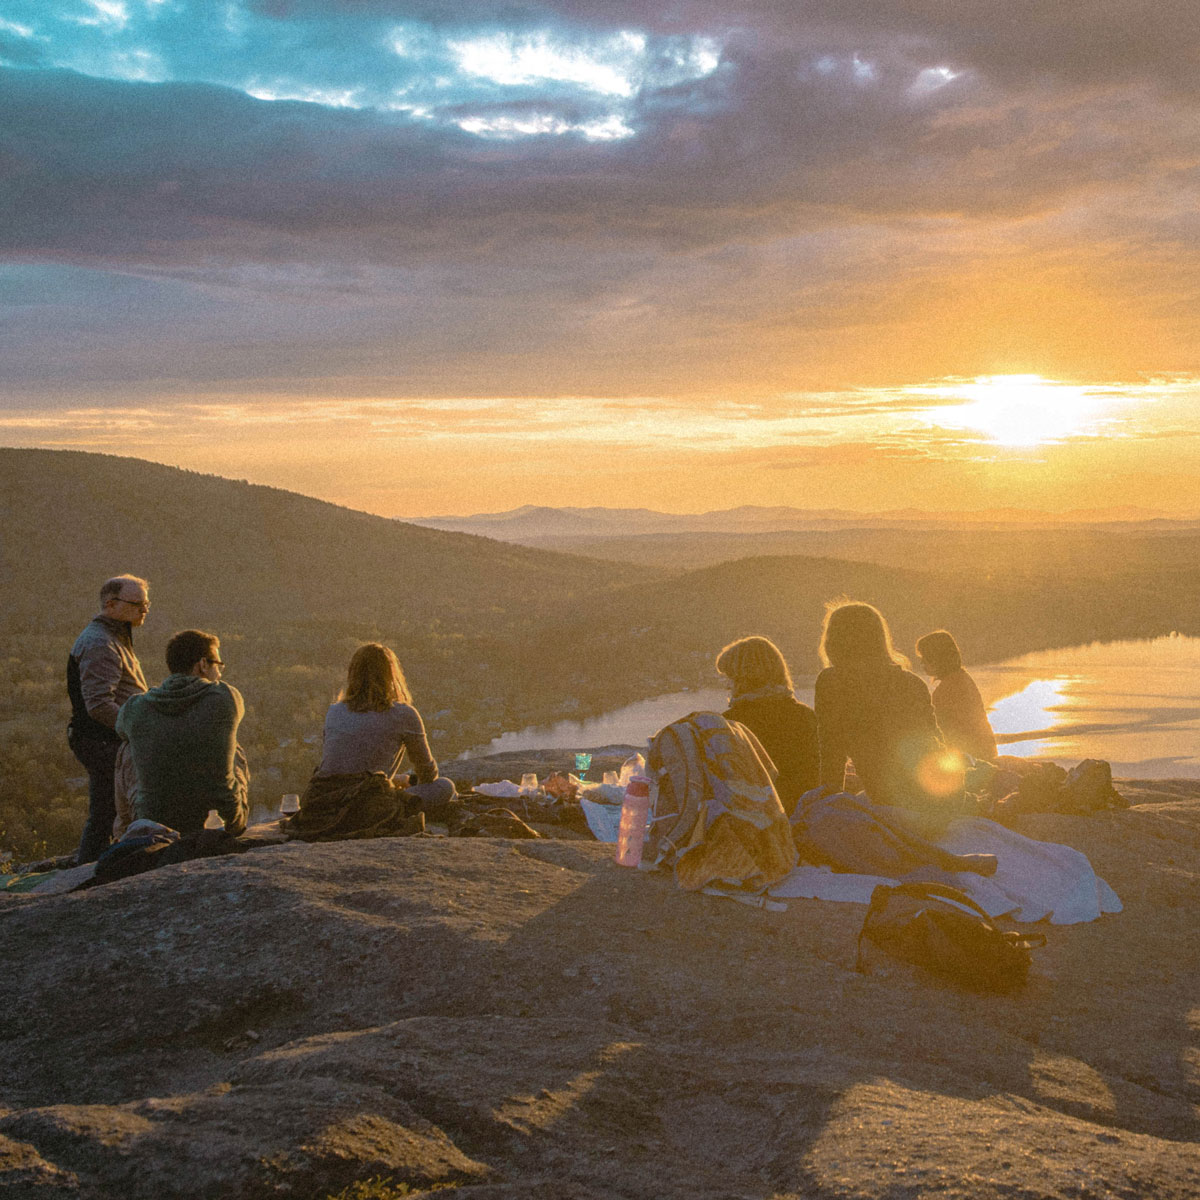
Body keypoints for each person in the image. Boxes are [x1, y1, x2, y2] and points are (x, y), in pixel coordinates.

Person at [289, 643, 456, 840]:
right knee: (445, 787)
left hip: (319, 803)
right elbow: (428, 775)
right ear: (391, 675)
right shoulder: (403, 714)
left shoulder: (334, 711)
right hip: (366, 805)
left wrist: (393, 780)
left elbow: (344, 768)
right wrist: (399, 783)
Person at [814, 601, 962, 813]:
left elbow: (831, 753)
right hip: (944, 796)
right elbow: (936, 742)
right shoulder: (912, 682)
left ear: (833, 640)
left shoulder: (832, 682)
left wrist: (826, 808)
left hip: (895, 802)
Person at [116, 629, 250, 836]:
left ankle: (125, 833)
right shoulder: (226, 697)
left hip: (156, 823)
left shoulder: (136, 707)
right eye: (218, 665)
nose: (220, 673)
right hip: (222, 822)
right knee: (233, 745)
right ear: (203, 665)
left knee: (126, 747)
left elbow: (120, 730)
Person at [67, 574, 150, 863]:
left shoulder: (114, 636)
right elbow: (100, 705)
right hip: (103, 740)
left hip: (106, 739)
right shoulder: (101, 643)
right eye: (137, 603)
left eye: (146, 603)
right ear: (111, 604)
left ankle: (93, 868)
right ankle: (88, 872)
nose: (145, 609)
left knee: (110, 810)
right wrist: (136, 729)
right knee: (106, 810)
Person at [716, 635, 818, 815]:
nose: (727, 686)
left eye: (729, 678)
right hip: (806, 816)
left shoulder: (731, 724)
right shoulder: (806, 716)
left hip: (756, 824)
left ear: (743, 678)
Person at [916, 629, 998, 762]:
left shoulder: (947, 689)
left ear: (937, 658)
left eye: (925, 658)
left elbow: (938, 730)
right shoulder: (962, 678)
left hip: (970, 758)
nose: (922, 663)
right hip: (984, 753)